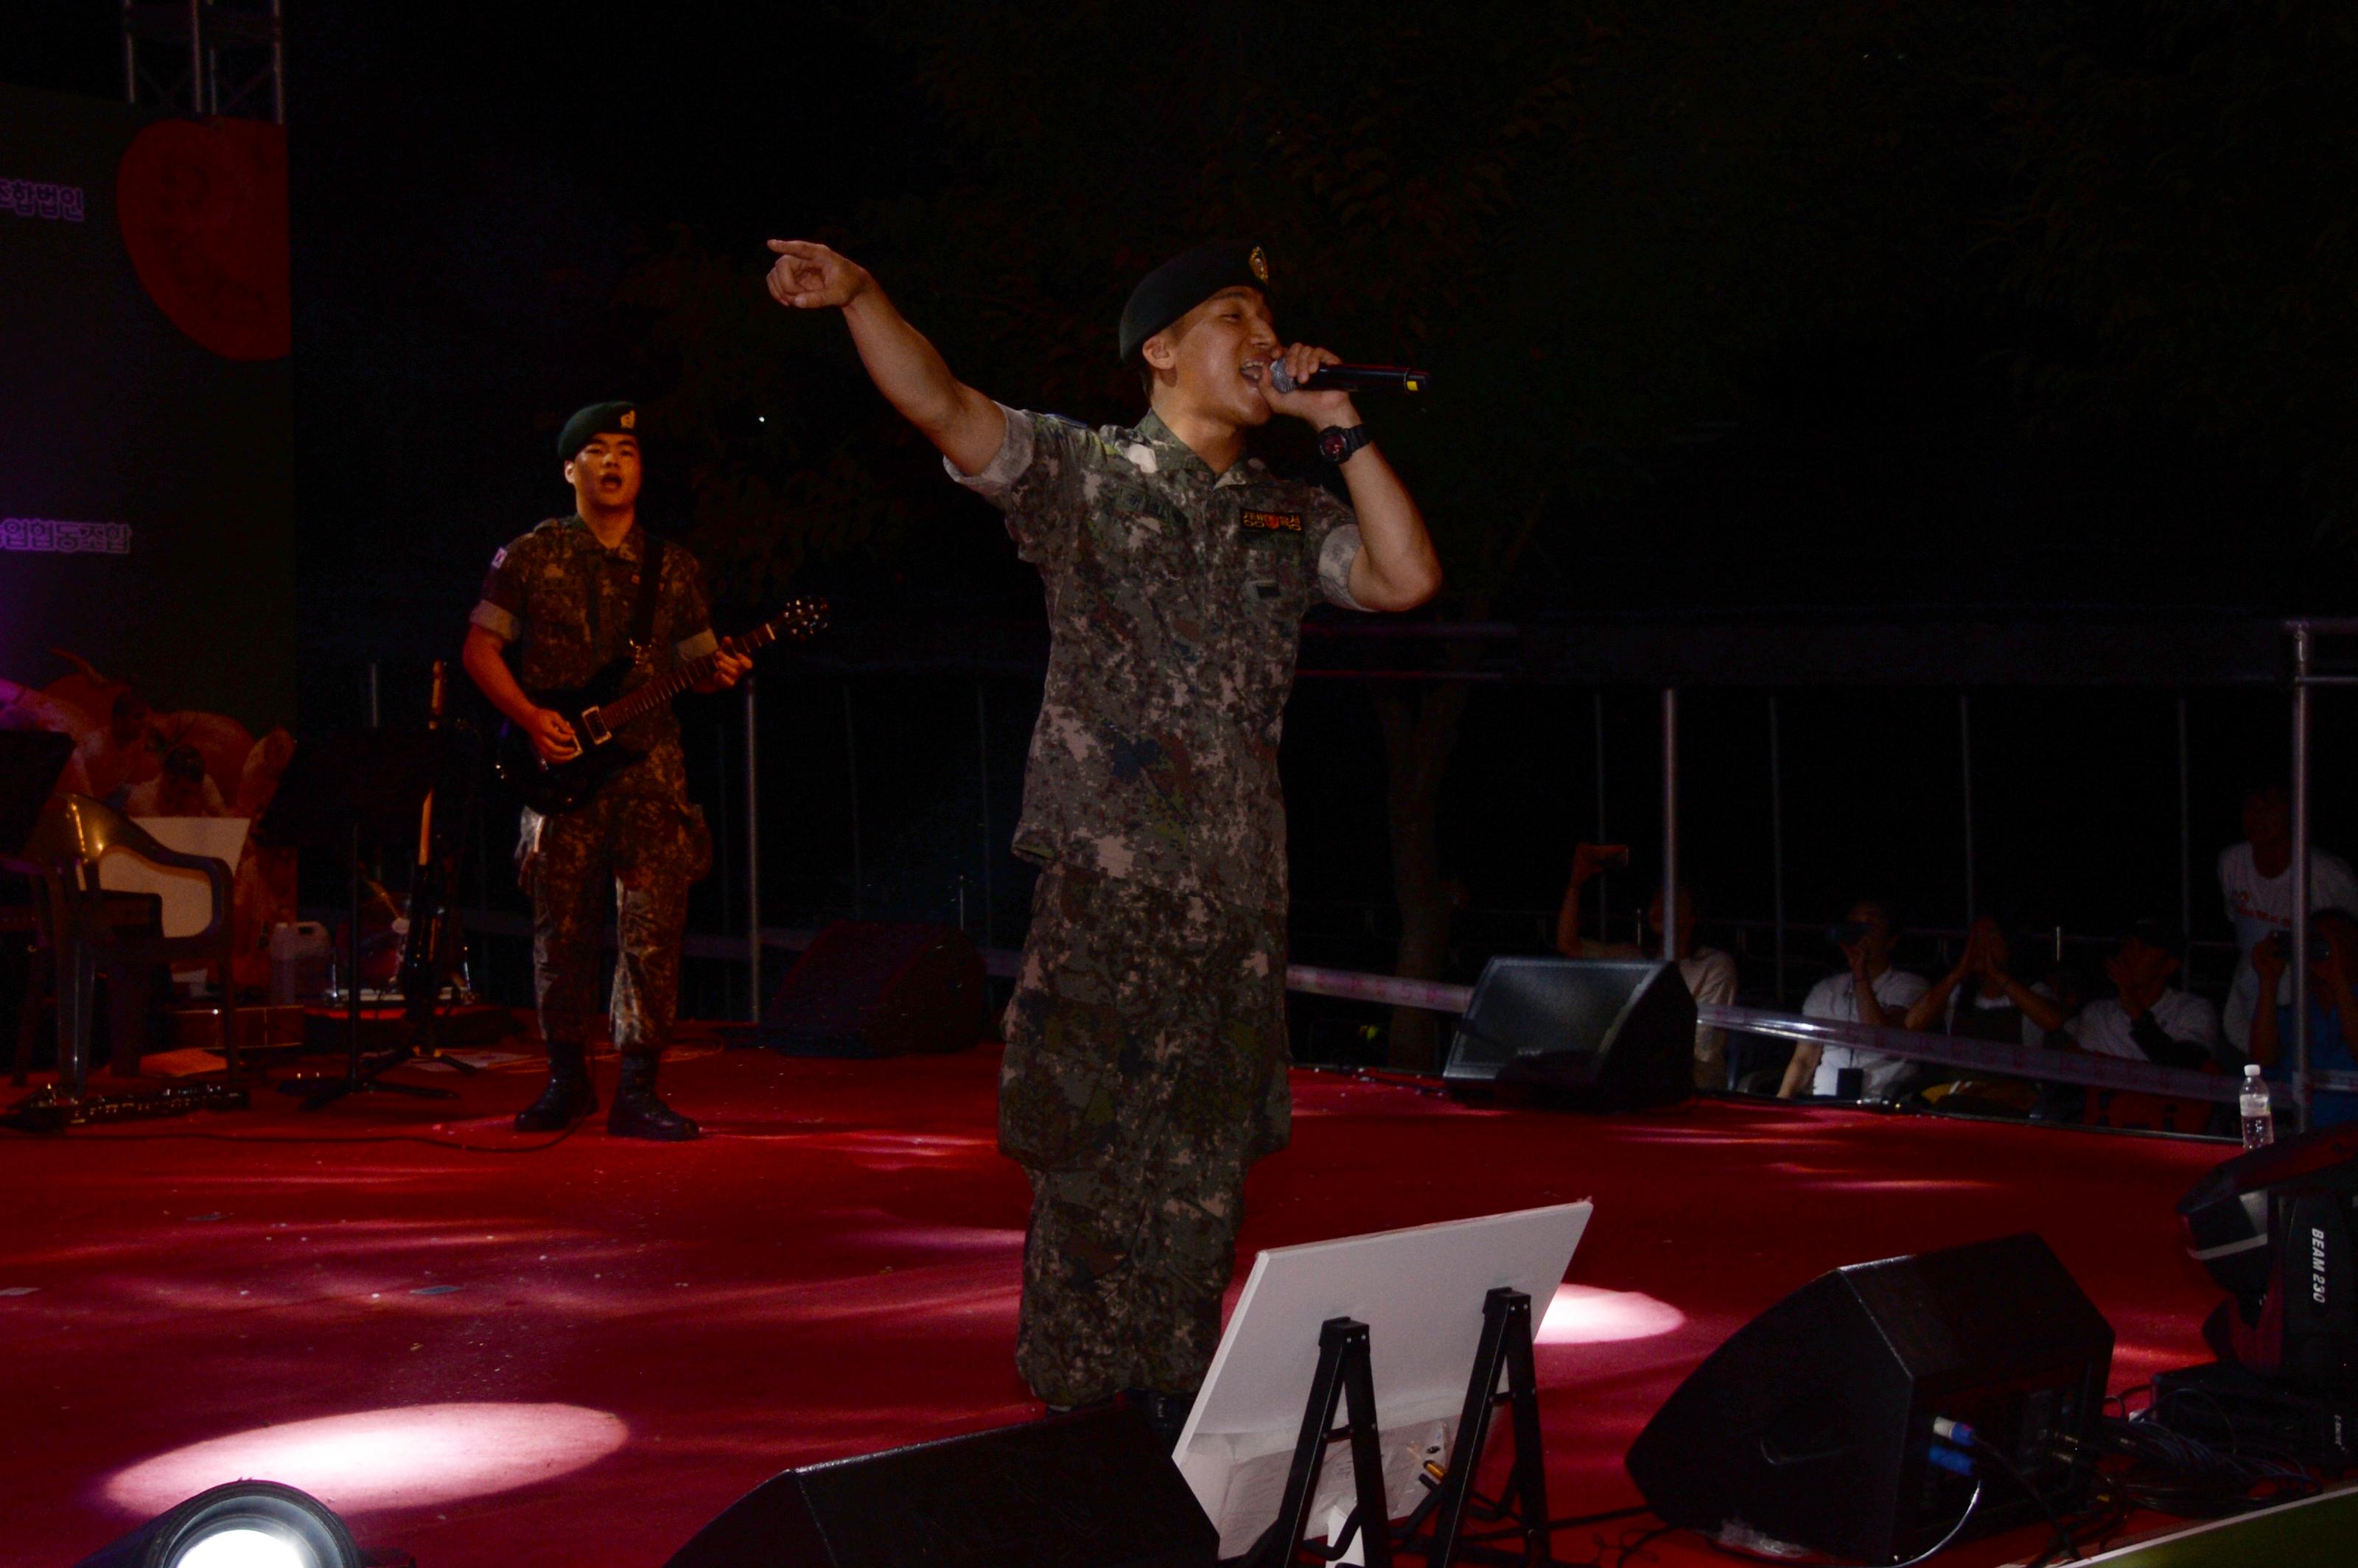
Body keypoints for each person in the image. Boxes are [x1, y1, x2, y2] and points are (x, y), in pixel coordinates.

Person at [765, 237, 1440, 1436]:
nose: (1263, 337)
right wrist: (866, 292)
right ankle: (1075, 1438)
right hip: (1111, 879)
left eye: (1269, 316)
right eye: (1233, 315)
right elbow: (944, 404)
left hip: (1234, 895)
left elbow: (1402, 581)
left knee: (1201, 1182)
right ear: (1161, 351)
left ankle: (1171, 1423)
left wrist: (1339, 420)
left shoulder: (1289, 507)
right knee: (1090, 1174)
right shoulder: (1086, 472)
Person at [461, 402, 750, 1141]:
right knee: (561, 926)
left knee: (653, 928)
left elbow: (699, 663)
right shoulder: (528, 556)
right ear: (570, 469)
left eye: (627, 450)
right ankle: (565, 1081)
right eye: (597, 450)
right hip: (558, 768)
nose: (615, 462)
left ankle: (639, 1088)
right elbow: (479, 650)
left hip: (649, 770)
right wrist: (530, 718)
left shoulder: (674, 566)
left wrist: (721, 672)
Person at [1556, 842, 1739, 1088]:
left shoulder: (1714, 966)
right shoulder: (1633, 958)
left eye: (1671, 900)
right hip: (1635, 1081)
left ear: (1693, 915)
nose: (1659, 907)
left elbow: (1702, 1045)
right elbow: (1569, 945)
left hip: (1693, 1086)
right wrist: (1575, 885)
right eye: (1656, 899)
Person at [2219, 782, 2358, 1053]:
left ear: (2293, 811)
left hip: (2318, 1007)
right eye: (2250, 807)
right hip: (2251, 1001)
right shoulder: (2231, 862)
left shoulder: (2327, 874)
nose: (2256, 817)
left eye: (2267, 807)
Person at [1778, 899, 1929, 1100]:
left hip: (1882, 1102)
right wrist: (1783, 1100)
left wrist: (1860, 974)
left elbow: (1878, 1035)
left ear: (1891, 940)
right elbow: (1804, 1060)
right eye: (1854, 925)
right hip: (1826, 1102)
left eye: (1870, 925)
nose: (1861, 932)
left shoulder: (1910, 986)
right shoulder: (1826, 990)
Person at [2245, 909, 2358, 1127]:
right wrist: (2269, 981)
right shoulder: (2298, 1016)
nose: (2325, 951)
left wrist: (2338, 979)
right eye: (2315, 943)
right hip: (2302, 1138)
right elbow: (2263, 1060)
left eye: (2337, 941)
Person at [2065, 919, 2220, 1068]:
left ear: (2170, 964)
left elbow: (2185, 1068)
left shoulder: (2192, 1010)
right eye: (2126, 945)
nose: (2128, 954)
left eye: (2142, 948)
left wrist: (2134, 1009)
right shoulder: (2098, 1014)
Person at [1903, 916, 2067, 1046]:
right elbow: (1913, 1023)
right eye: (1975, 937)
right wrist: (1958, 973)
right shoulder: (1959, 992)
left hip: (2014, 1087)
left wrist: (1996, 973)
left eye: (1991, 935)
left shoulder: (2033, 990)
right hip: (1963, 1085)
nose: (1981, 944)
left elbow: (2052, 1021)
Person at [77, 691, 157, 807]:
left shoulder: (137, 743)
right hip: (87, 802)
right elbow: (77, 789)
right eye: (138, 717)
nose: (144, 723)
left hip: (111, 795)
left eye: (146, 718)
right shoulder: (93, 748)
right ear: (118, 720)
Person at [124, 743, 228, 816]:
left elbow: (225, 820)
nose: (192, 797)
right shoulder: (141, 801)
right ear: (168, 780)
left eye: (195, 792)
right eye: (185, 792)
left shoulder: (204, 783)